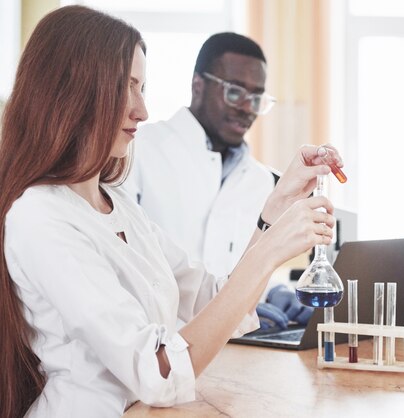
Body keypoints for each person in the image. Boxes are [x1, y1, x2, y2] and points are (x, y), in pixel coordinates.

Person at [0, 6, 342, 418]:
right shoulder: (40, 217)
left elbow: (210, 301)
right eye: (125, 87)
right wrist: (271, 252)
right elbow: (159, 371)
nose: (141, 110)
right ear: (73, 92)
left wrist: (276, 206)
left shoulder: (117, 206)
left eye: (142, 87)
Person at [124, 32, 312, 329]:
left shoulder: (261, 180)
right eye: (235, 92)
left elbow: (232, 267)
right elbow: (127, 267)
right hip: (156, 344)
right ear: (198, 84)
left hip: (232, 345)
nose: (248, 107)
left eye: (257, 97)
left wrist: (272, 292)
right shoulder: (136, 151)